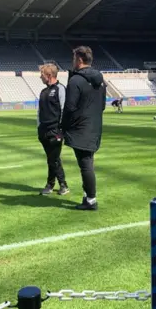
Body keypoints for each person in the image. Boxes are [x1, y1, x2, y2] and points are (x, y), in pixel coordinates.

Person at [62, 46, 106, 210]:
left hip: (80, 128)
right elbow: (102, 106)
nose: (73, 61)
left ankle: (91, 200)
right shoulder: (100, 80)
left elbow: (69, 107)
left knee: (85, 164)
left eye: (74, 58)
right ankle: (88, 197)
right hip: (94, 127)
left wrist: (63, 127)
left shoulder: (76, 80)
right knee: (88, 162)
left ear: (79, 59)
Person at [37, 64, 69, 196]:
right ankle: (52, 184)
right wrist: (39, 127)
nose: (40, 77)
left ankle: (61, 184)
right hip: (44, 131)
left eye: (42, 74)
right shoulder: (43, 92)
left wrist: (61, 129)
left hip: (55, 130)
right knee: (51, 158)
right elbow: (40, 112)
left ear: (49, 75)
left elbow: (64, 109)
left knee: (53, 159)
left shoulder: (60, 89)